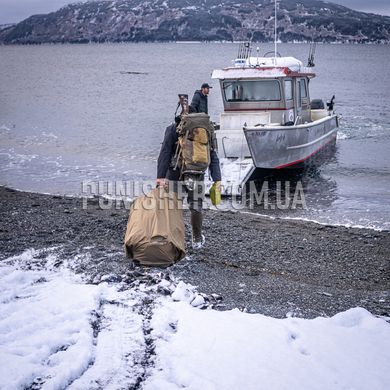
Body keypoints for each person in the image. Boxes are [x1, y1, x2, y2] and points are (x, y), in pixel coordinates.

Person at [156, 113, 221, 250]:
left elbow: (165, 153)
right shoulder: (205, 129)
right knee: (196, 207)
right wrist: (217, 179)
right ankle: (196, 240)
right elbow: (213, 154)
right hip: (197, 174)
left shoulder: (173, 129)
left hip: (175, 174)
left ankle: (175, 240)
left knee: (174, 207)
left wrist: (160, 176)